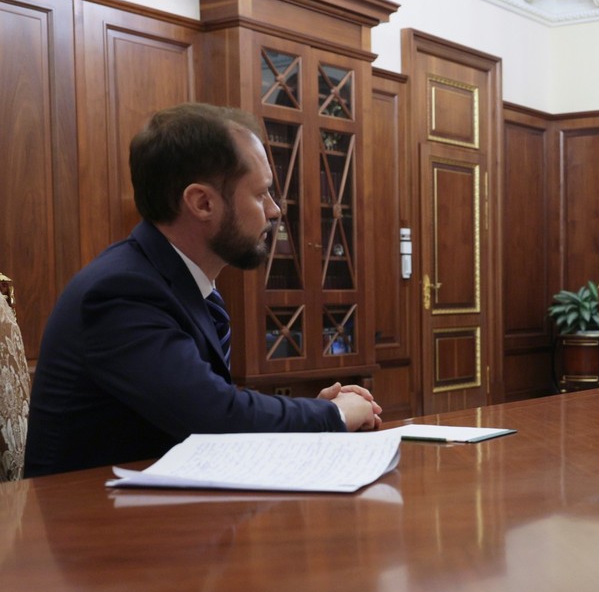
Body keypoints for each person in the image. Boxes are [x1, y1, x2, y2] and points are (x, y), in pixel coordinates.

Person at [24, 103, 382, 478]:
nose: (274, 211)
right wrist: (333, 414)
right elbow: (214, 415)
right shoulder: (121, 291)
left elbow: (207, 410)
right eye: (261, 194)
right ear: (202, 203)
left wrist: (309, 416)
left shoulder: (175, 280)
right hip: (93, 523)